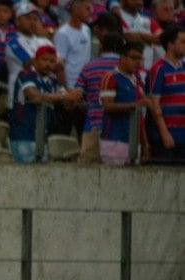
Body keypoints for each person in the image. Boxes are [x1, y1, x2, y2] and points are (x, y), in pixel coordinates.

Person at [9, 44, 81, 162]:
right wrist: (65, 96)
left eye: (52, 61)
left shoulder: (53, 82)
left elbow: (68, 105)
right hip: (24, 135)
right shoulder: (25, 75)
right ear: (35, 61)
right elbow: (35, 97)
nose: (48, 64)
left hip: (43, 137)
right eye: (44, 60)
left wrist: (73, 97)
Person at [99, 40, 152, 165]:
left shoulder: (136, 81)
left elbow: (139, 116)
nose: (137, 62)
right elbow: (107, 106)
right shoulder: (111, 77)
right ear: (122, 57)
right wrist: (134, 105)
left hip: (134, 141)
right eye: (134, 58)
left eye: (140, 58)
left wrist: (144, 143)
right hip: (114, 139)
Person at [75, 32, 124, 164]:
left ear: (102, 47)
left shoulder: (89, 67)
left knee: (88, 169)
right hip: (118, 126)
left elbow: (76, 95)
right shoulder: (124, 68)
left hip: (93, 122)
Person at [52, 0, 92, 138]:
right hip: (68, 90)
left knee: (84, 133)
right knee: (63, 132)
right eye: (86, 7)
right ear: (75, 8)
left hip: (83, 91)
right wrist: (67, 91)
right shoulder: (63, 33)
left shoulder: (87, 30)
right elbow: (59, 66)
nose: (90, 9)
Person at [146, 24, 185, 164]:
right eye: (182, 42)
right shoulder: (158, 69)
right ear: (170, 44)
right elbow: (154, 105)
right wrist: (164, 133)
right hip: (166, 135)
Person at [5, 1, 53, 113]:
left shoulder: (43, 41)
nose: (32, 22)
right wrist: (50, 64)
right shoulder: (13, 41)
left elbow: (59, 63)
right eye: (28, 18)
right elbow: (32, 63)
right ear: (17, 21)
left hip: (43, 97)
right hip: (20, 101)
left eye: (35, 19)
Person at [118, 0, 161, 74]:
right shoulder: (116, 17)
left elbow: (162, 39)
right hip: (124, 71)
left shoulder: (147, 21)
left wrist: (139, 36)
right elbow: (128, 37)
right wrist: (151, 39)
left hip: (146, 72)